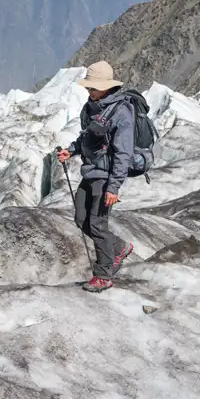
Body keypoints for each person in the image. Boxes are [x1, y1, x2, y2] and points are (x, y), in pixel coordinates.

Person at [58, 61, 135, 292]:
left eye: (93, 88)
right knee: (81, 219)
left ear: (107, 87)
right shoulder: (92, 107)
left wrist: (114, 187)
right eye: (89, 87)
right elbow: (87, 137)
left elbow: (123, 153)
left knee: (97, 225)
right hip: (90, 172)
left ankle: (104, 275)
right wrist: (71, 150)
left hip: (105, 177)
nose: (89, 91)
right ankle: (119, 247)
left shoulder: (121, 112)